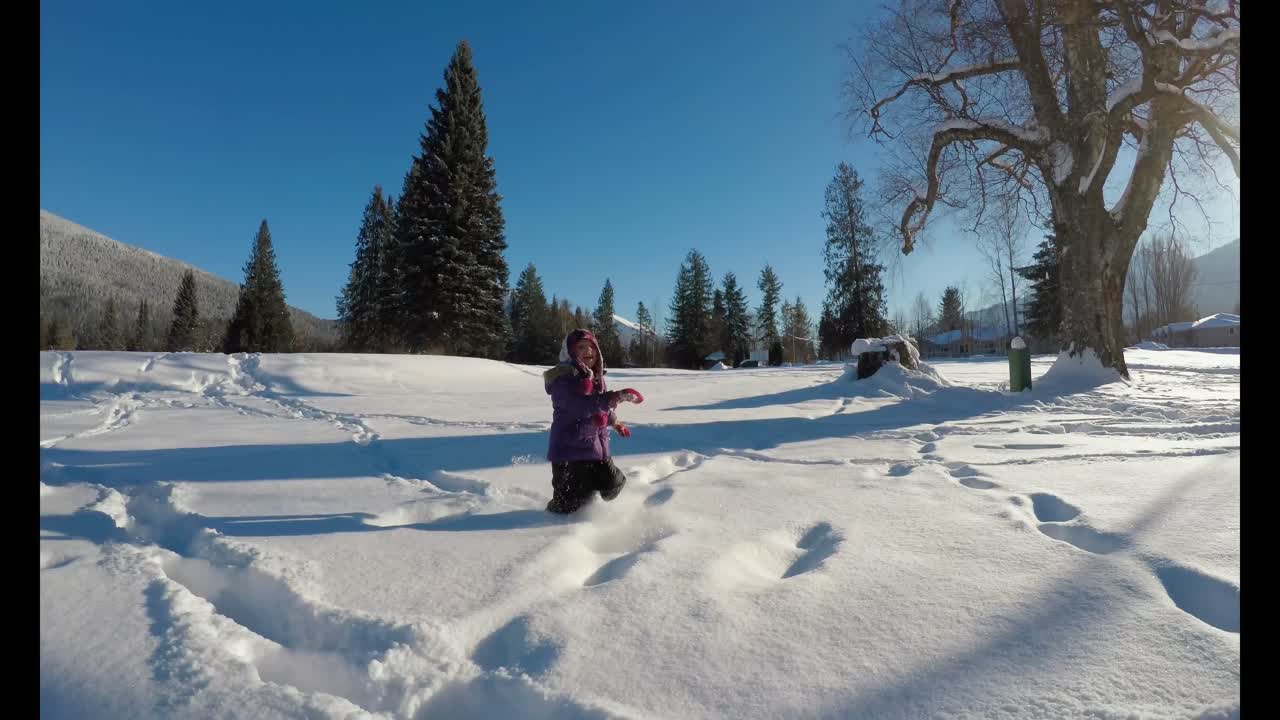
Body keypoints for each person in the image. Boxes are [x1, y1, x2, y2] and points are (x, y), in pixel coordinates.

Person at [542, 329, 644, 514]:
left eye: (592, 347)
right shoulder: (562, 380)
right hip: (569, 450)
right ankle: (556, 519)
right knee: (569, 503)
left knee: (612, 485)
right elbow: (579, 406)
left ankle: (592, 502)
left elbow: (600, 407)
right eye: (581, 347)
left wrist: (615, 422)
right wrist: (614, 397)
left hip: (596, 447)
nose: (589, 351)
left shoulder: (595, 378)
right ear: (570, 352)